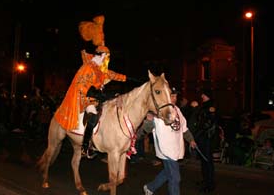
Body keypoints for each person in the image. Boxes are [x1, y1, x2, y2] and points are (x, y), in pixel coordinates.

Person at [54, 15, 127, 159]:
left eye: (108, 57)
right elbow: (84, 87)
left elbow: (116, 75)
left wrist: (132, 79)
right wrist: (101, 95)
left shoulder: (102, 70)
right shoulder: (89, 68)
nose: (107, 59)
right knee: (93, 114)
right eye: (106, 56)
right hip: (86, 98)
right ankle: (85, 147)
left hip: (97, 97)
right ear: (100, 56)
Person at [143, 87, 197, 195]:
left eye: (176, 96)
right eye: (172, 96)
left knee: (168, 173)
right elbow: (147, 129)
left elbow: (184, 128)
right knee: (175, 178)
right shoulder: (158, 110)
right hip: (165, 148)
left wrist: (191, 140)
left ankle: (150, 187)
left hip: (175, 148)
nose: (174, 98)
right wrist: (148, 120)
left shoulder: (177, 109)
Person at [194, 89, 219, 193]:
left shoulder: (211, 107)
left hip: (207, 138)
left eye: (203, 94)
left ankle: (210, 184)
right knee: (204, 160)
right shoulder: (204, 106)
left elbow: (209, 123)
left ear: (208, 95)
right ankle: (205, 180)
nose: (202, 96)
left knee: (208, 161)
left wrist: (199, 133)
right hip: (203, 137)